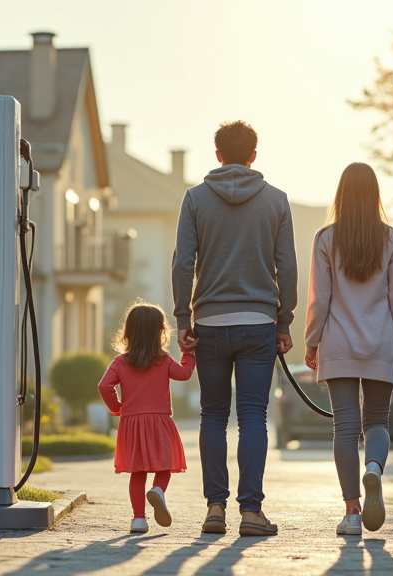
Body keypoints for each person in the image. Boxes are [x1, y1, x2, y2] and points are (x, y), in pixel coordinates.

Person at [172, 120, 298, 537]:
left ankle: (214, 509)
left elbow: (181, 264)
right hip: (259, 325)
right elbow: (288, 268)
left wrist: (182, 320)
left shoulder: (194, 199)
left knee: (212, 414)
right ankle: (251, 512)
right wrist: (283, 321)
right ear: (254, 156)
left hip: (208, 324)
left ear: (218, 155)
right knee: (252, 417)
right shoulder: (277, 201)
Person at [303, 161, 393, 537]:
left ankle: (352, 514)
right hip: (382, 342)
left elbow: (320, 301)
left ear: (341, 195)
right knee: (378, 421)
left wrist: (311, 340)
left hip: (338, 344)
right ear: (375, 195)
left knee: (345, 429)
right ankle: (374, 469)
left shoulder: (325, 239)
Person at [98, 300, 195, 534]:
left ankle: (138, 519)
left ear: (128, 332)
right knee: (165, 465)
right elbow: (183, 375)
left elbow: (104, 386)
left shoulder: (121, 362)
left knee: (137, 472)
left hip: (131, 423)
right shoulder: (162, 360)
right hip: (160, 421)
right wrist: (189, 354)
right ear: (159, 332)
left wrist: (116, 407)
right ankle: (159, 490)